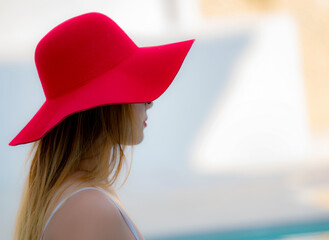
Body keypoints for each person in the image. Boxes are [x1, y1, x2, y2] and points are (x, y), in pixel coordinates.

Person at [10, 12, 194, 240]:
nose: (149, 102)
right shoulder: (89, 208)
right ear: (104, 105)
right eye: (131, 85)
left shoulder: (75, 197)